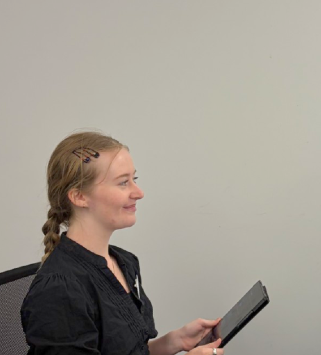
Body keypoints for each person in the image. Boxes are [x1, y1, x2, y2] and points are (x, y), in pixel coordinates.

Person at [21, 131, 224, 355]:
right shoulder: (59, 291)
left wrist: (172, 342)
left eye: (134, 179)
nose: (138, 192)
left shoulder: (123, 262)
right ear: (79, 196)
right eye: (123, 183)